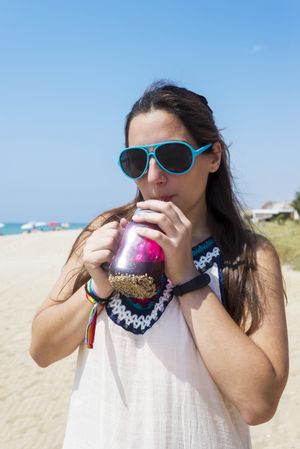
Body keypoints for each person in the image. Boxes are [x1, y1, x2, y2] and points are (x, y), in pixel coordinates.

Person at [30, 81, 289, 449]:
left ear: (213, 156)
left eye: (173, 156)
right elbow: (42, 350)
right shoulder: (104, 231)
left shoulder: (248, 254)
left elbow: (258, 403)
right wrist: (95, 288)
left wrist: (186, 276)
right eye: (136, 161)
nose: (153, 177)